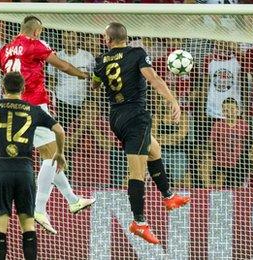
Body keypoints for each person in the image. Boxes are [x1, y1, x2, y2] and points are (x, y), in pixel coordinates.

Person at [0, 16, 95, 234]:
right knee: (52, 157)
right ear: (38, 30)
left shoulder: (5, 49)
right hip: (33, 107)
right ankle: (39, 208)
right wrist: (84, 75)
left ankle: (72, 199)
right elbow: (63, 66)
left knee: (50, 156)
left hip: (11, 109)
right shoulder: (35, 45)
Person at [91, 22, 189, 244]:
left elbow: (95, 85)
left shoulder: (101, 60)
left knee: (154, 149)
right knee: (137, 172)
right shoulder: (137, 53)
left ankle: (169, 197)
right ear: (126, 37)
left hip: (116, 117)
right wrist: (173, 100)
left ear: (108, 40)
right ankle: (139, 222)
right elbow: (153, 79)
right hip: (135, 116)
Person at [0, 72, 67, 260]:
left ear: (3, 89)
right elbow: (59, 130)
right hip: (24, 169)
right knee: (28, 223)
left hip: (0, 168)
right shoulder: (34, 109)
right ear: (23, 89)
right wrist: (59, 153)